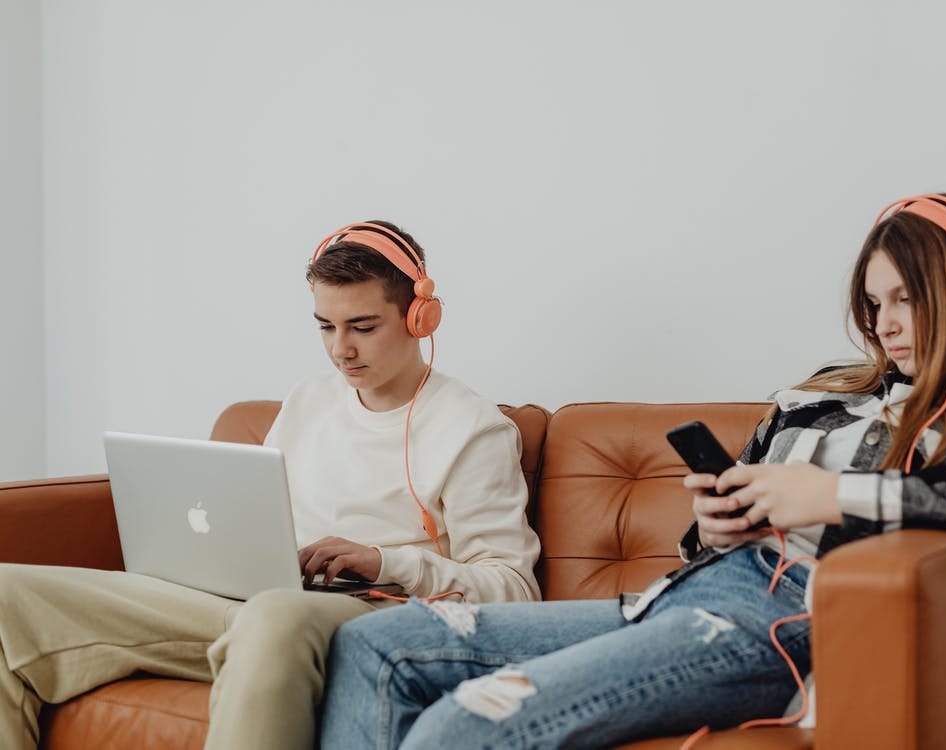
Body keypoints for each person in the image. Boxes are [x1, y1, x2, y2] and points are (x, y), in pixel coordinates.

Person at [318, 194, 946, 750]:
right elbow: (708, 536)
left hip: (772, 624)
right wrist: (721, 523)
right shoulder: (817, 397)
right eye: (874, 303)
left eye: (907, 299)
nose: (887, 324)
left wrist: (830, 496)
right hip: (674, 599)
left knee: (471, 721)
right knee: (378, 646)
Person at [0, 220, 541, 750]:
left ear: (420, 317)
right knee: (7, 594)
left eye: (363, 326)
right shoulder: (309, 399)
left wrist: (384, 561)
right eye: (326, 327)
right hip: (258, 601)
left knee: (274, 615)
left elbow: (515, 591)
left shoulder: (472, 429)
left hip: (369, 613)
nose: (340, 350)